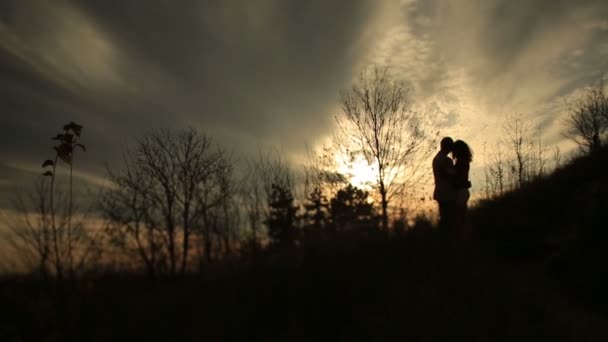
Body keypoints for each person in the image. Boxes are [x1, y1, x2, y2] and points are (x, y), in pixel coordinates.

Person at [432, 137, 456, 235]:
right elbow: (452, 175)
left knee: (444, 220)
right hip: (447, 194)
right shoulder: (446, 160)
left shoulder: (436, 158)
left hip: (440, 193)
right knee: (449, 222)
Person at [451, 140, 473, 240]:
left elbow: (459, 178)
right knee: (461, 217)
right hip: (463, 191)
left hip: (461, 191)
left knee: (459, 219)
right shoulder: (464, 161)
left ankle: (462, 240)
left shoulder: (461, 162)